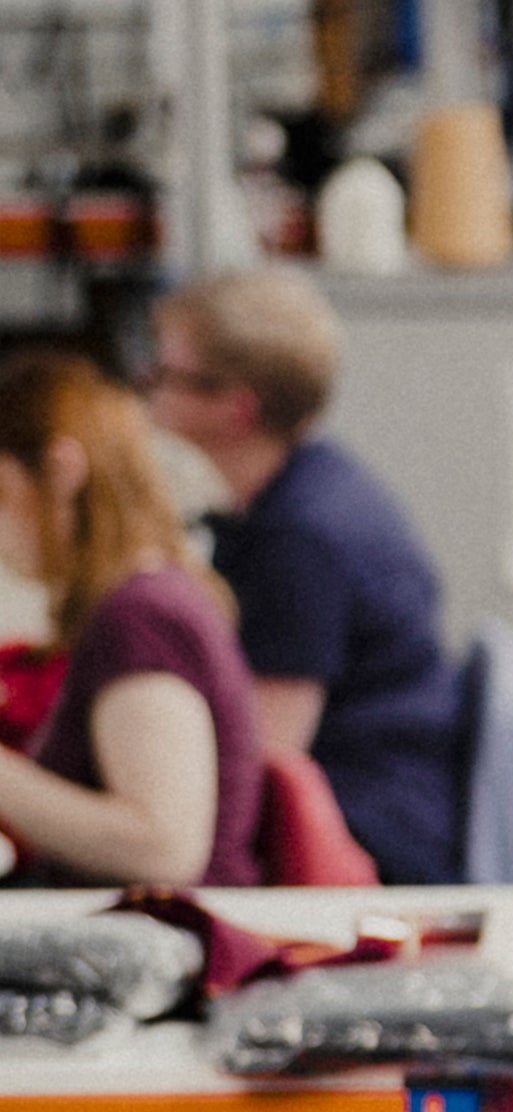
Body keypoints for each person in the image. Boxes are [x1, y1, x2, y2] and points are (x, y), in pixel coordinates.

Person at [153, 265, 463, 879]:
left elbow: (264, 752)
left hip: (369, 839)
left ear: (236, 408)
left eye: (168, 376)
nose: (150, 391)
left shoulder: (299, 537)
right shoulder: (308, 481)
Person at [0, 348, 264, 887]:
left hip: (166, 951)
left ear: (61, 471)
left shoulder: (140, 619)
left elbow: (163, 848)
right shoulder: (149, 597)